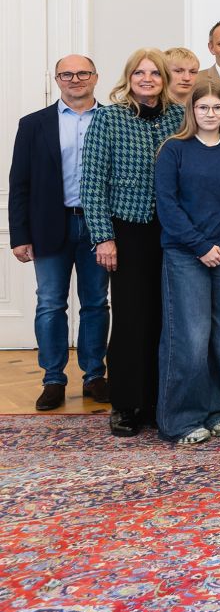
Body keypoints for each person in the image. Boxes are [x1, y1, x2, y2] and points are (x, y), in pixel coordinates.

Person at [83, 48, 185, 437]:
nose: (147, 79)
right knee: (131, 318)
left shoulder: (179, 116)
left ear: (164, 79)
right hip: (128, 230)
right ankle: (126, 403)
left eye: (154, 73)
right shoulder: (109, 119)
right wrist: (103, 237)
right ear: (129, 77)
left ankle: (162, 400)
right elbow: (92, 182)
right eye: (139, 73)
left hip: (174, 230)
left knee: (168, 316)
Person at [151, 78, 220, 446]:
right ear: (191, 112)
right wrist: (200, 245)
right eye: (203, 107)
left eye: (217, 107)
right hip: (185, 253)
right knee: (190, 338)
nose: (210, 113)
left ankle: (217, 409)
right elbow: (167, 204)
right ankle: (181, 418)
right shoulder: (174, 150)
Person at [10, 55, 108, 411]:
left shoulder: (113, 120)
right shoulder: (34, 124)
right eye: (67, 74)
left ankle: (94, 374)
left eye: (83, 73)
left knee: (96, 303)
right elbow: (19, 182)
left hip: (99, 226)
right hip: (50, 225)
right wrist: (19, 234)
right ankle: (53, 379)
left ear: (96, 77)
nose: (75, 79)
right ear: (57, 79)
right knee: (50, 303)